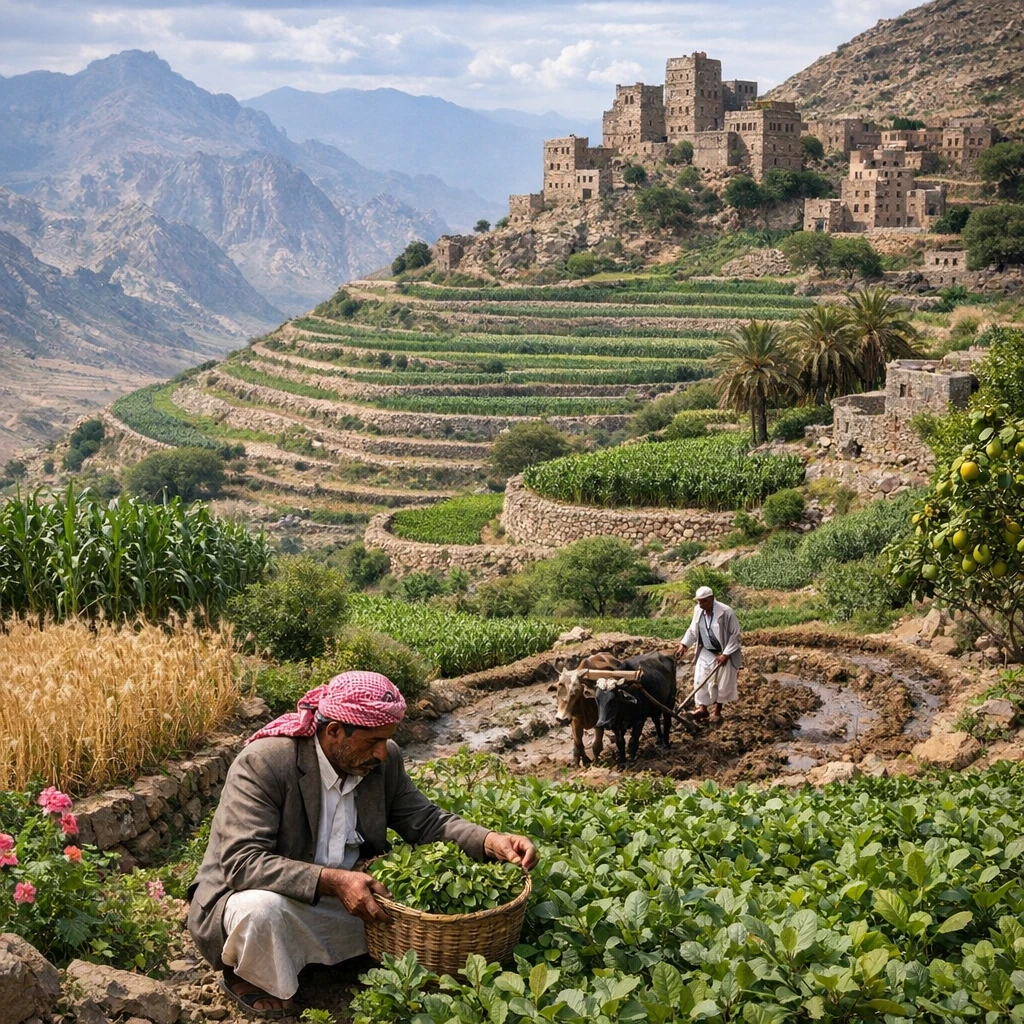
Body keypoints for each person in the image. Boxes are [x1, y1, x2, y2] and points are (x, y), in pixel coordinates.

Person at [187, 671, 537, 1018]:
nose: (382, 753)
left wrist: (491, 841)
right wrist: (334, 881)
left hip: (350, 891)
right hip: (272, 894)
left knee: (411, 908)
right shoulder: (266, 763)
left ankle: (320, 956)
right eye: (373, 742)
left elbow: (426, 820)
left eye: (386, 740)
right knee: (261, 913)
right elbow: (243, 862)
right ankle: (251, 976)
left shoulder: (382, 763)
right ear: (335, 732)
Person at [675, 585, 742, 724]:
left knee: (721, 683)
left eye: (703, 601)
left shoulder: (726, 612)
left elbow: (735, 635)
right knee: (700, 679)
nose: (700, 604)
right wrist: (684, 645)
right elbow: (693, 630)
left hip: (723, 651)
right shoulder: (698, 611)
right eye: (698, 601)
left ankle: (717, 712)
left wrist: (726, 654)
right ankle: (702, 709)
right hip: (706, 650)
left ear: (711, 599)